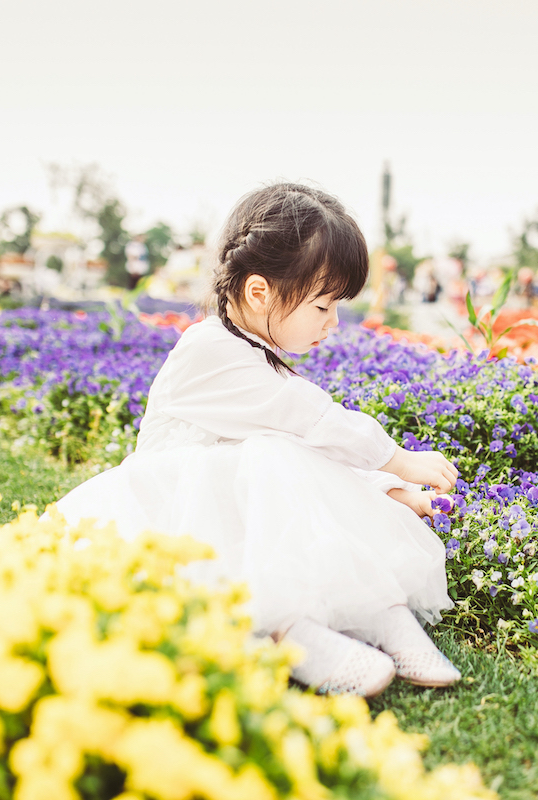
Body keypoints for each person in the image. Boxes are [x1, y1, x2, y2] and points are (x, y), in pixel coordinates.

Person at [53, 184, 461, 697]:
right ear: (259, 292)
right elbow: (307, 420)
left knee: (284, 465)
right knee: (273, 458)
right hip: (186, 516)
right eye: (322, 306)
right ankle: (292, 633)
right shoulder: (208, 349)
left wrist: (379, 487)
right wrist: (396, 461)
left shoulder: (249, 346)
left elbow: (309, 446)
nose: (334, 323)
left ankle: (387, 618)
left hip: (246, 504)